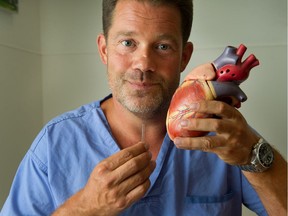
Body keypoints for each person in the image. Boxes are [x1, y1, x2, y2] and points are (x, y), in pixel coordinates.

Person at [1, 0, 287, 215]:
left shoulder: (225, 136)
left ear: (184, 57)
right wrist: (83, 208)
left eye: (162, 46)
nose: (143, 64)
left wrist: (256, 156)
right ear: (104, 50)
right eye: (128, 43)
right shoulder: (53, 146)